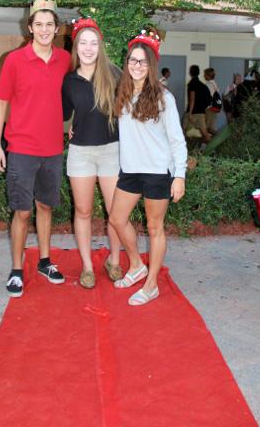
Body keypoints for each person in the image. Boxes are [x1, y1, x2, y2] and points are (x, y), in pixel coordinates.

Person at [0, 0, 71, 297]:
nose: (44, 29)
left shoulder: (65, 59)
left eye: (49, 24)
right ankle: (16, 268)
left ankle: (45, 260)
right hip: (22, 149)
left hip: (52, 149)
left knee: (45, 206)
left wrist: (75, 123)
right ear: (30, 27)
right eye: (38, 24)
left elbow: (74, 94)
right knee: (23, 211)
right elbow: (0, 104)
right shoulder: (14, 60)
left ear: (56, 28)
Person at [109, 32, 187, 306]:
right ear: (127, 62)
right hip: (130, 170)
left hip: (157, 172)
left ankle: (152, 284)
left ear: (151, 65)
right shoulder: (123, 92)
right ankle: (135, 266)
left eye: (143, 62)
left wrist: (179, 176)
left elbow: (178, 141)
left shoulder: (164, 98)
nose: (137, 66)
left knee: (155, 228)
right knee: (117, 220)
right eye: (133, 60)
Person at [62, 17, 122, 288]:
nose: (88, 48)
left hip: (112, 150)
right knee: (83, 210)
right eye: (83, 43)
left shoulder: (115, 74)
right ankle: (87, 266)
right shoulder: (69, 81)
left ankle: (115, 261)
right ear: (76, 47)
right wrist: (69, 128)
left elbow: (130, 112)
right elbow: (63, 115)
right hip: (81, 154)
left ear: (101, 46)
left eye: (93, 43)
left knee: (115, 212)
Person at [183, 65, 212, 142]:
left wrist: (190, 113)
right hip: (201, 112)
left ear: (190, 73)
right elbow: (209, 100)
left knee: (183, 131)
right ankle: (212, 149)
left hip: (193, 112)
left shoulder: (192, 83)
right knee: (204, 133)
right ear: (198, 73)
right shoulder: (203, 85)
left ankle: (182, 150)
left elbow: (192, 99)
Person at [203, 67, 221, 135]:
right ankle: (216, 139)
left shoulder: (208, 84)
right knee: (211, 127)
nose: (204, 76)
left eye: (205, 74)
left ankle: (205, 144)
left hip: (209, 108)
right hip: (214, 107)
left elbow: (207, 97)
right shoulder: (215, 84)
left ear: (208, 75)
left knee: (206, 127)